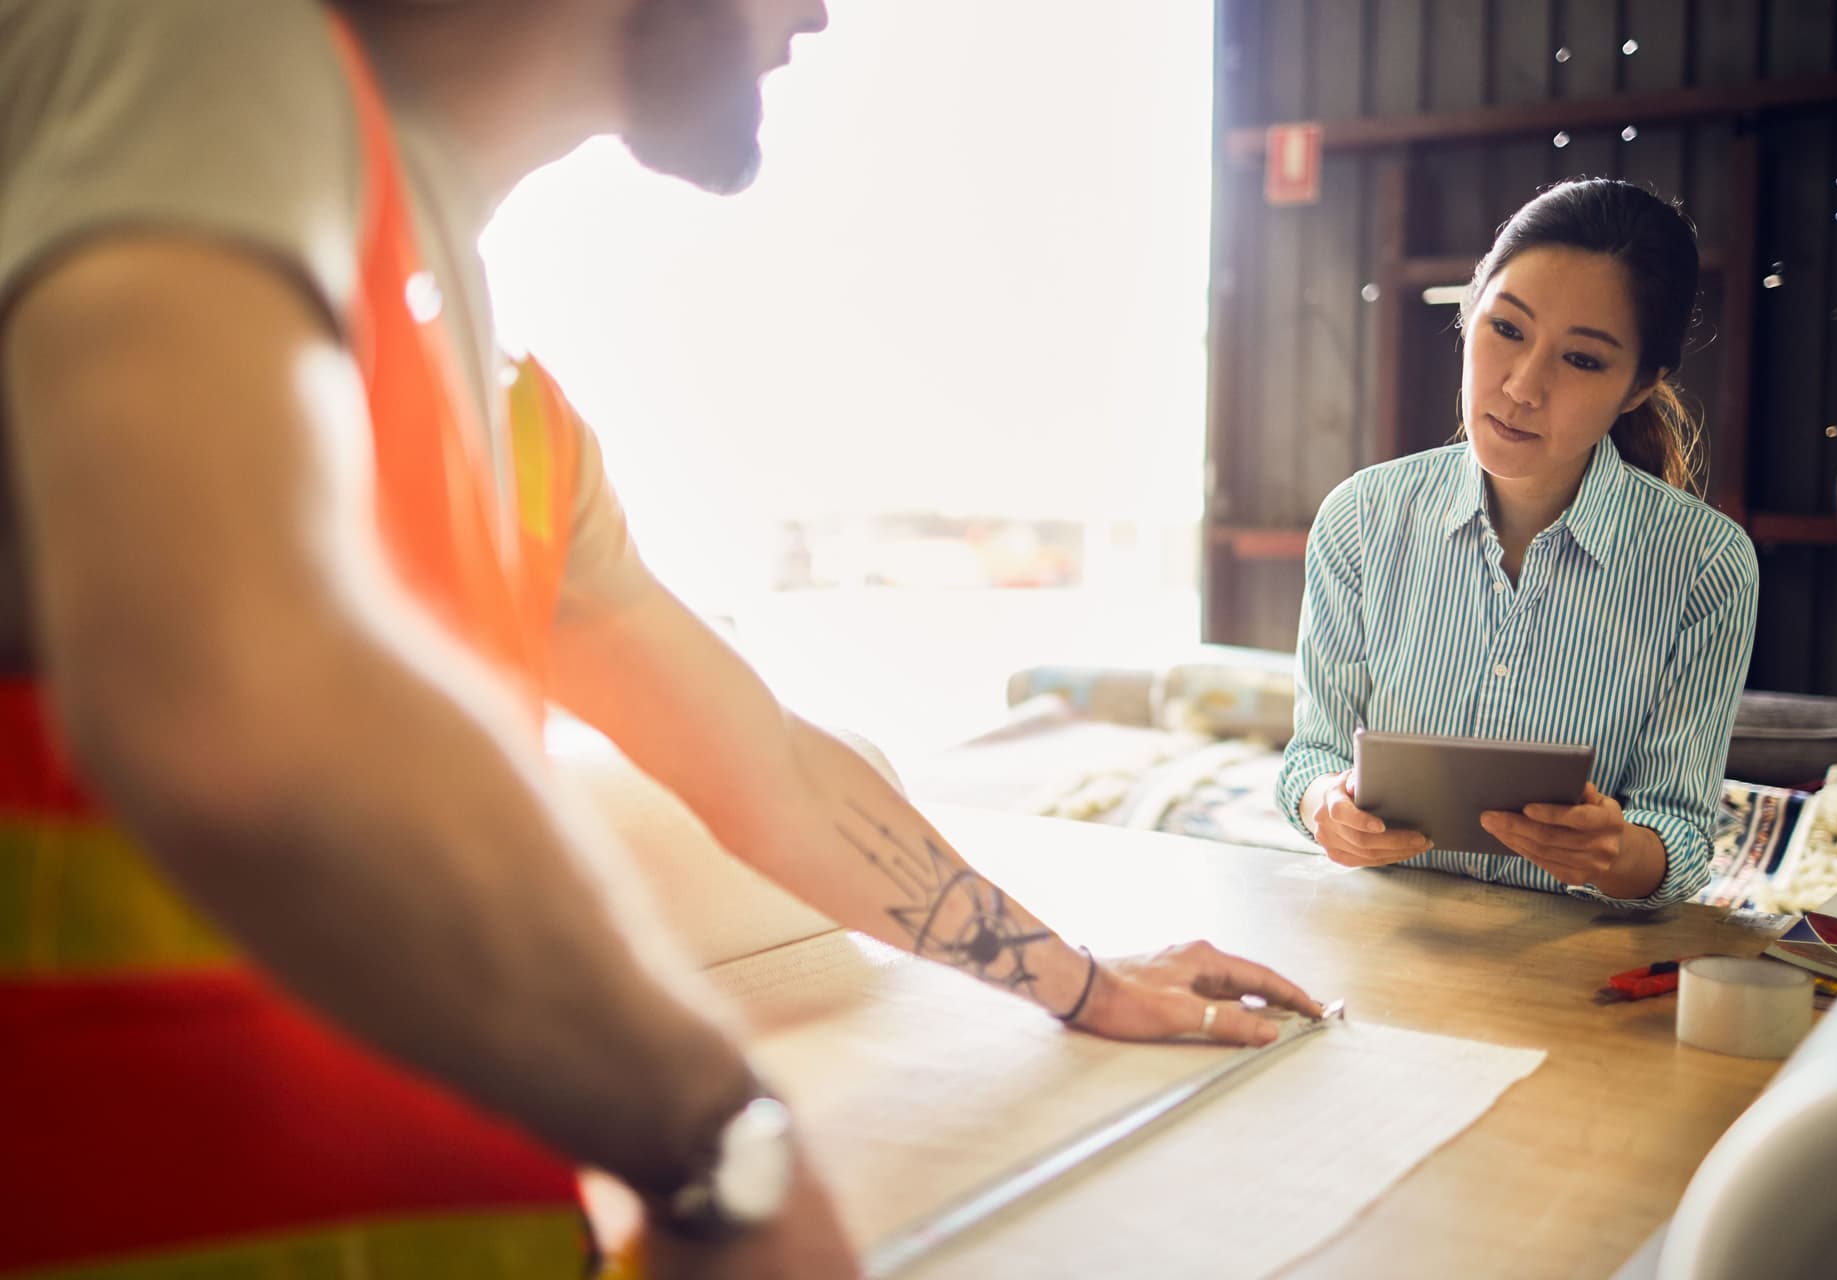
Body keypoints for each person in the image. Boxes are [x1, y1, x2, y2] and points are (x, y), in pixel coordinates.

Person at [0, 1, 1323, 1276]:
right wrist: (715, 1135)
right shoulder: (186, 39)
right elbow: (240, 696)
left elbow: (772, 773)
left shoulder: (511, 407)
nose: (820, 12)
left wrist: (1082, 982)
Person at [1276, 178, 1758, 913]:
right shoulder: (1361, 518)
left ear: (1639, 386)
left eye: (1582, 360)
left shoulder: (1705, 566)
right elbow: (1312, 755)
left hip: (1573, 953)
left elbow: (1683, 832)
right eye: (1506, 328)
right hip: (1385, 933)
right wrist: (1325, 807)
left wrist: (1616, 852)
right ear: (1469, 314)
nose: (1524, 387)